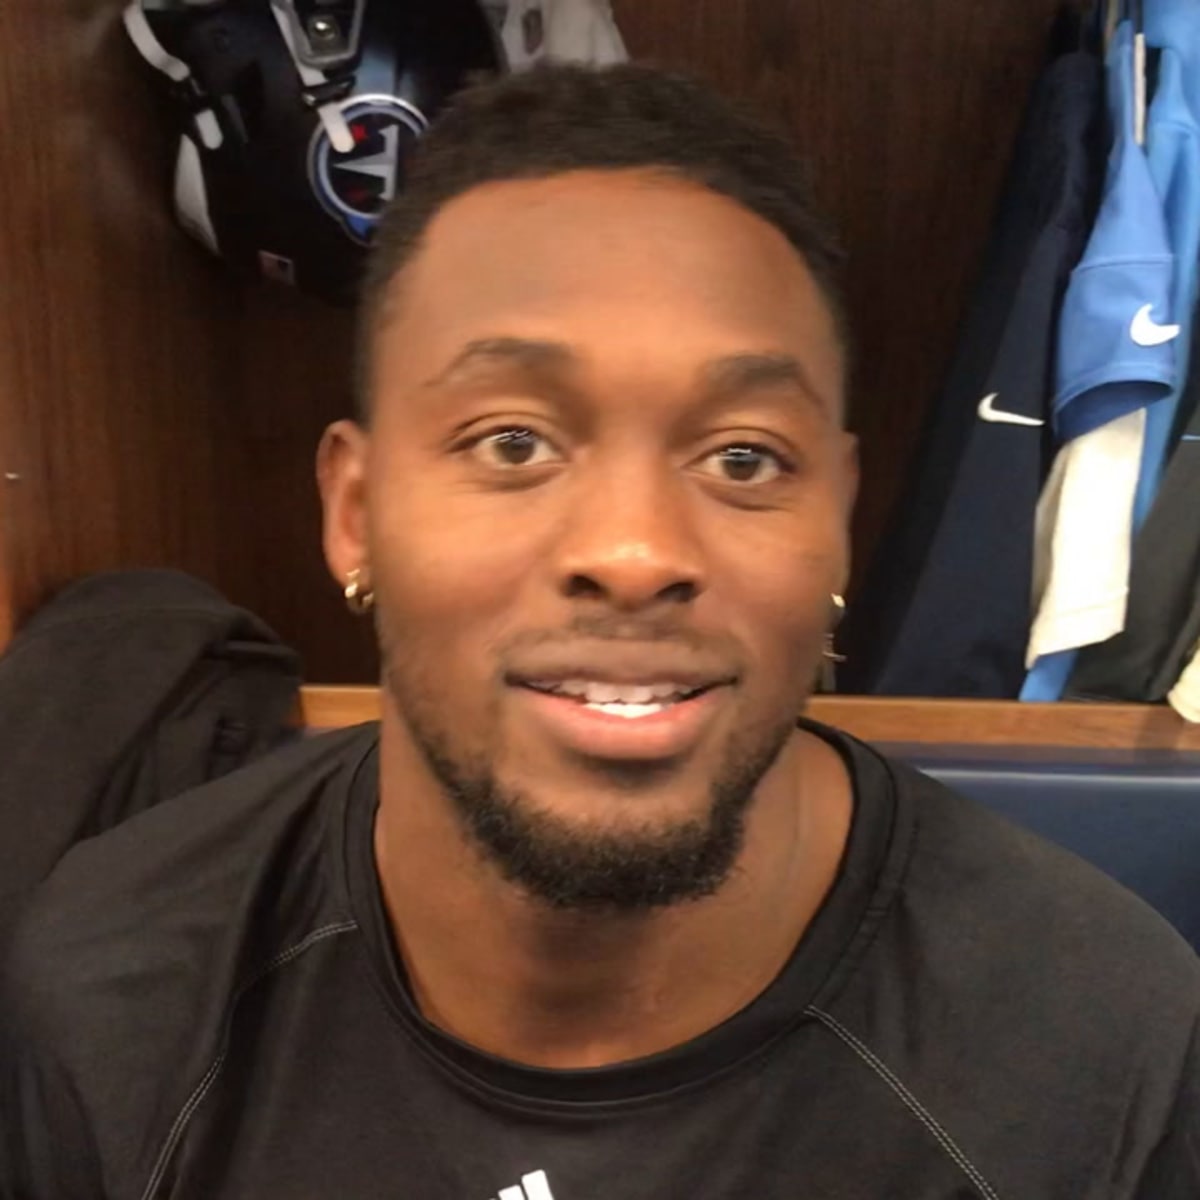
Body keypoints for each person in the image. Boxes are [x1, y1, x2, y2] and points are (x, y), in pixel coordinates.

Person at [2, 63, 1198, 1200]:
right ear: (356, 517)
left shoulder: (1104, 1047)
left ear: (835, 523)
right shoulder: (121, 993)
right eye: (512, 443)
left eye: (743, 457)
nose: (634, 554)